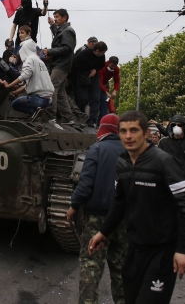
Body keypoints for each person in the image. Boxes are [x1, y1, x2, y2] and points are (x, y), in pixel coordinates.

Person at [89, 111, 185, 304]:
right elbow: (120, 203)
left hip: (161, 253)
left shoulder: (164, 162)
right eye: (123, 131)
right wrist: (103, 232)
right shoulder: (122, 162)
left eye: (134, 130)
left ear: (147, 133)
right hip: (134, 250)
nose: (128, 136)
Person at [67, 114, 128, 304]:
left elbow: (86, 184)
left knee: (91, 265)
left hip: (98, 219)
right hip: (125, 219)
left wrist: (73, 206)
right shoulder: (131, 151)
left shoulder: (97, 149)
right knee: (121, 269)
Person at [2, 39, 54, 118]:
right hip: (48, 100)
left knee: (15, 104)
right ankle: (37, 114)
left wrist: (8, 86)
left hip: (37, 99)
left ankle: (33, 113)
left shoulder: (29, 60)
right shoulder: (39, 61)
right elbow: (32, 84)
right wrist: (17, 92)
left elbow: (24, 75)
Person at [42, 9, 76, 124]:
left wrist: (50, 51)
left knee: (51, 89)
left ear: (64, 18)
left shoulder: (68, 31)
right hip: (60, 64)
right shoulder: (63, 30)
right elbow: (58, 34)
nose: (55, 18)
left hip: (61, 65)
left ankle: (50, 116)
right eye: (54, 17)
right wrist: (52, 25)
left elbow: (68, 48)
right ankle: (68, 117)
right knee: (61, 92)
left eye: (57, 17)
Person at [72, 41, 107, 128]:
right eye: (102, 52)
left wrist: (96, 69)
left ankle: (92, 121)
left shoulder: (102, 57)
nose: (103, 54)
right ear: (97, 50)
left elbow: (102, 65)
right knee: (82, 99)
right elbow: (74, 63)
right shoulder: (85, 53)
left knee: (95, 98)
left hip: (94, 77)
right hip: (82, 76)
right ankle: (80, 117)